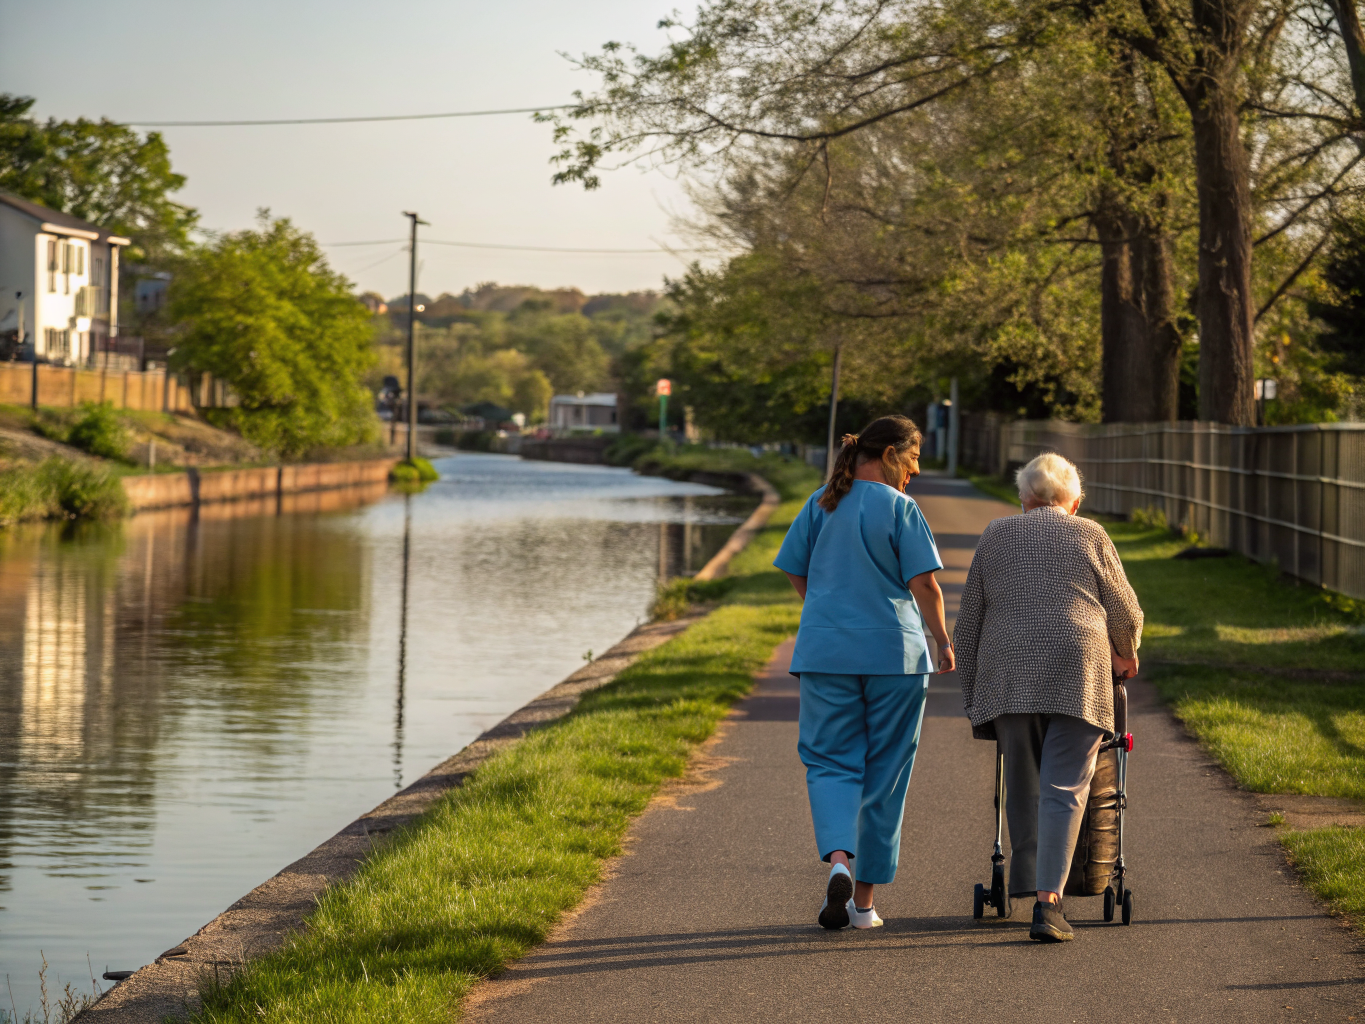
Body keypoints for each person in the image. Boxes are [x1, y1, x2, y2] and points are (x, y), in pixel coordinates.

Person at [953, 452, 1143, 943]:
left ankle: (1027, 884)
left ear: (1023, 499)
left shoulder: (996, 534)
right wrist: (1126, 653)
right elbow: (1125, 611)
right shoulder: (1090, 534)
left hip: (1009, 675)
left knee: (1023, 786)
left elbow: (969, 619)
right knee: (1065, 789)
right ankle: (1048, 904)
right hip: (1079, 670)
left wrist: (974, 692)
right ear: (1073, 502)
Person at [774, 415, 955, 931]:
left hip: (825, 653)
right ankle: (864, 905)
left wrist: (821, 608)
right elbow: (925, 586)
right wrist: (943, 641)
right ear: (893, 454)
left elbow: (793, 566)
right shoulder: (900, 508)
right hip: (894, 658)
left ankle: (837, 863)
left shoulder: (820, 501)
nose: (917, 471)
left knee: (830, 762)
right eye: (915, 458)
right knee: (886, 774)